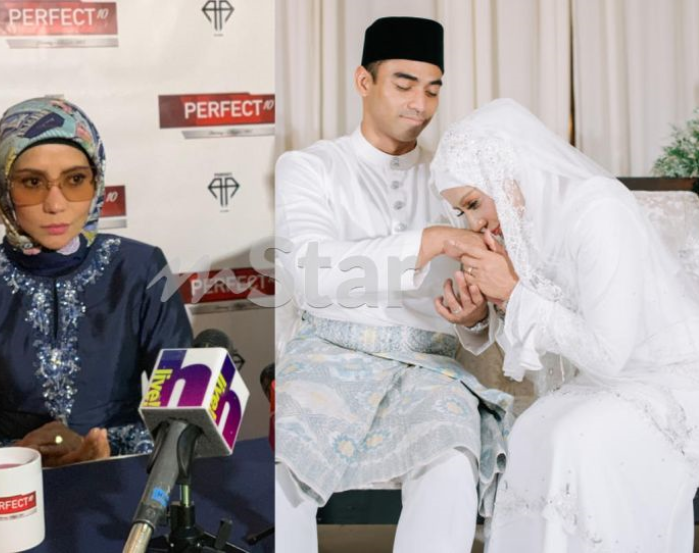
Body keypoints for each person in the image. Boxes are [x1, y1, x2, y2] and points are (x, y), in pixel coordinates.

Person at [275, 17, 513, 553]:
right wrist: (435, 239)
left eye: (432, 90)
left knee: (452, 460)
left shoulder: (454, 180)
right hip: (329, 351)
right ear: (364, 81)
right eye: (404, 85)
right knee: (284, 464)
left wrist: (473, 315)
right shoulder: (310, 168)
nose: (420, 105)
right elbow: (312, 274)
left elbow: (481, 310)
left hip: (428, 363)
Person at [431, 98, 699, 552]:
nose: (475, 223)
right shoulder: (528, 227)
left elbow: (608, 353)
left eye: (474, 203)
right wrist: (484, 310)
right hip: (603, 380)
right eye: (463, 213)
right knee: (530, 432)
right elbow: (548, 343)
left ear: (506, 169)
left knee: (576, 439)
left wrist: (514, 293)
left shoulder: (599, 210)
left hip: (670, 378)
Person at [0, 97, 192, 471]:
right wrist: (23, 455)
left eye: (75, 180)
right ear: (3, 186)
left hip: (123, 480)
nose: (55, 205)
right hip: (13, 487)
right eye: (32, 182)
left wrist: (101, 452)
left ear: (97, 181)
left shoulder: (142, 268)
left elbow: (185, 416)